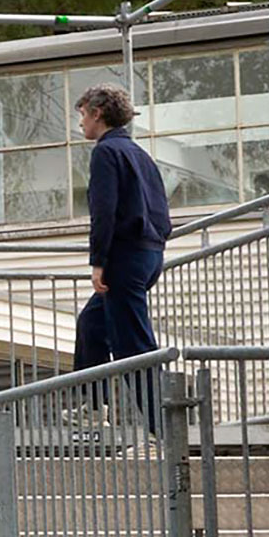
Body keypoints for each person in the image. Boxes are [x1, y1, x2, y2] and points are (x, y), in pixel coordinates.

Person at [72, 82, 170, 421]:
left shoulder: (106, 152)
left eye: (83, 115)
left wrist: (98, 261)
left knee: (134, 345)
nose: (81, 123)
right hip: (149, 253)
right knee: (92, 324)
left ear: (97, 113)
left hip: (125, 256)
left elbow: (104, 211)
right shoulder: (140, 155)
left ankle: (163, 426)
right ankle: (94, 405)